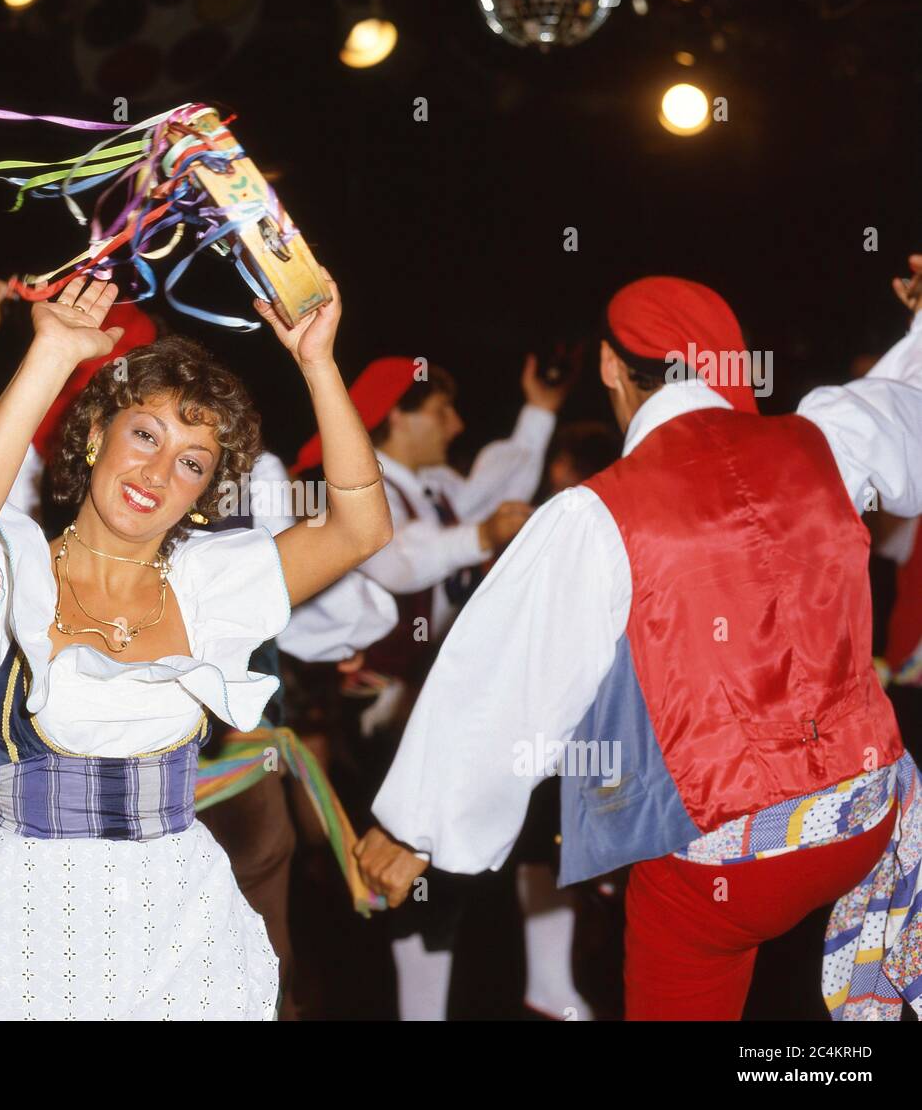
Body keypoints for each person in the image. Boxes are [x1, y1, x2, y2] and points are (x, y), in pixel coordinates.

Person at [358, 265, 922, 1020]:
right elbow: (902, 409)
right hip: (865, 814)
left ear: (608, 367)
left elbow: (510, 675)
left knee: (683, 924)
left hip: (738, 857)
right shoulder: (824, 439)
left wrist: (415, 827)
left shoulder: (597, 512)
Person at [0, 267, 391, 1020]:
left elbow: (362, 528)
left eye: (191, 463)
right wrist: (52, 357)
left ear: (203, 494)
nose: (158, 471)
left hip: (179, 916)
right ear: (97, 434)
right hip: (26, 921)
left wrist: (318, 364)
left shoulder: (210, 584)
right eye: (145, 435)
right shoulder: (17, 566)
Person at [293, 353, 569, 1020]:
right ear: (396, 417)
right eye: (441, 410)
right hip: (376, 710)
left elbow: (499, 483)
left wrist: (541, 410)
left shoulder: (436, 483)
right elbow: (398, 559)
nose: (458, 423)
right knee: (397, 869)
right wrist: (481, 534)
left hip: (430, 706)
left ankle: (466, 1002)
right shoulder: (359, 486)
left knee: (443, 868)